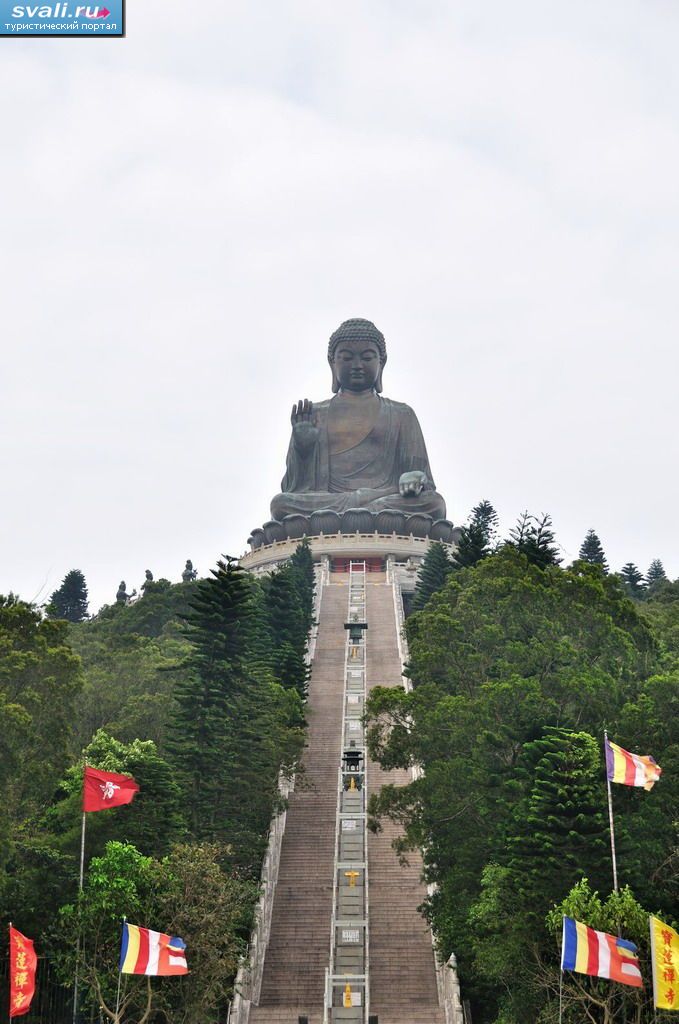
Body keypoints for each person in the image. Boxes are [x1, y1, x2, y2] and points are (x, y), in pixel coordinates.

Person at [270, 318, 446, 521]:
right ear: (332, 362)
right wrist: (303, 449)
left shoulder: (401, 414)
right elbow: (294, 489)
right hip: (332, 503)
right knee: (281, 504)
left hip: (384, 498)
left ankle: (361, 514)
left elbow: (422, 480)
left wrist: (415, 477)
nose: (357, 365)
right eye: (346, 358)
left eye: (367, 357)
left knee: (434, 503)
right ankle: (365, 514)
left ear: (382, 362)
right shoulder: (315, 414)